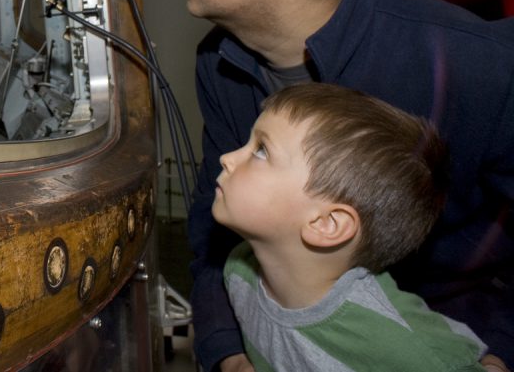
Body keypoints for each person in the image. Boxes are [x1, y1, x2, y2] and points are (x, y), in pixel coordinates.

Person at [164, 0, 514, 372]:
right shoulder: (218, 61)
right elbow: (214, 222)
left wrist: (501, 351)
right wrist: (225, 348)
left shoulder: (478, 62)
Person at [216, 82, 505, 371]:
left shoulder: (398, 344)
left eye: (262, 151)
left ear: (327, 223)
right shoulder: (240, 271)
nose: (227, 158)